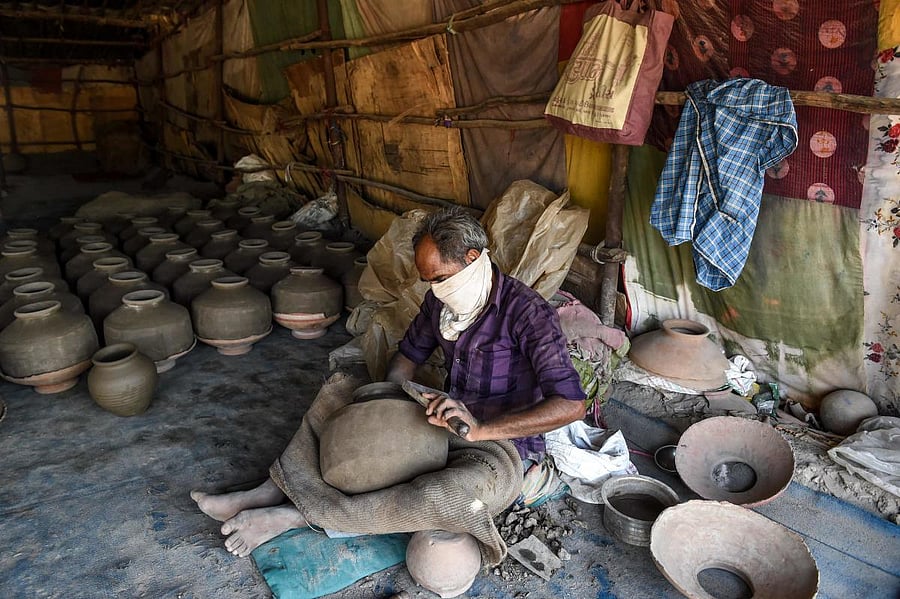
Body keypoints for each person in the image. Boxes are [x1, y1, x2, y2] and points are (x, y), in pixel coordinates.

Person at [191, 207, 586, 557]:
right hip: (445, 418)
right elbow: (409, 357)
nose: (435, 288)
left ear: (472, 258)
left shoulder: (528, 314)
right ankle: (273, 485)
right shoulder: (440, 301)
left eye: (440, 277)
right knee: (342, 392)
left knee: (446, 497)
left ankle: (299, 516)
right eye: (428, 280)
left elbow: (571, 404)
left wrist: (482, 429)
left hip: (501, 447)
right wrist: (390, 401)